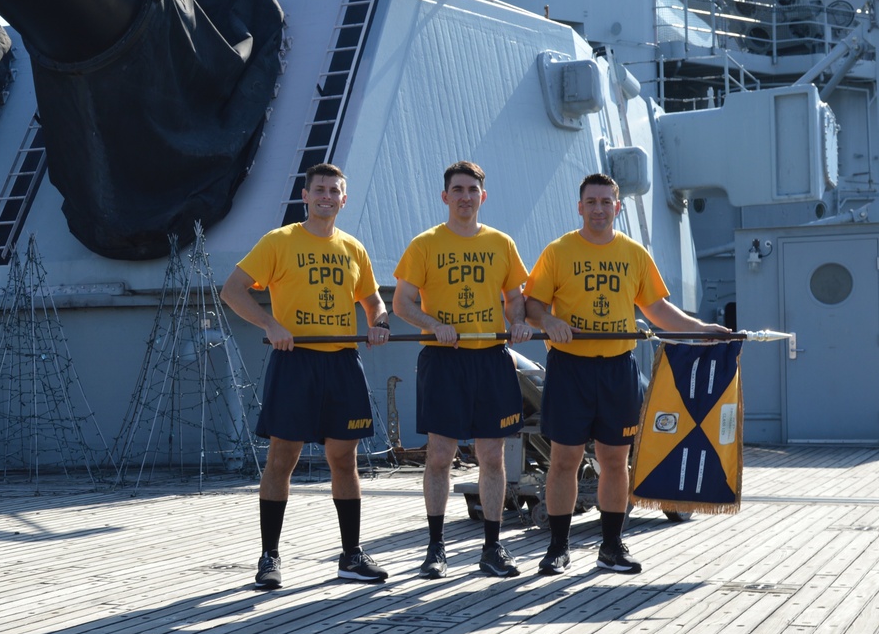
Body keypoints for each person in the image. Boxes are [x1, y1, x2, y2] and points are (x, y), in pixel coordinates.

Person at [524, 172, 730, 576]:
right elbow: (533, 305)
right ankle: (557, 548)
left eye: (606, 202)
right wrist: (548, 321)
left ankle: (612, 546)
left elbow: (658, 311)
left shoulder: (634, 254)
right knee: (563, 460)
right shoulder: (558, 251)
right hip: (570, 368)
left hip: (618, 368)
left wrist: (701, 329)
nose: (599, 209)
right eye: (592, 202)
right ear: (579, 207)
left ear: (617, 207)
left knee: (615, 461)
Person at [221, 163, 391, 590]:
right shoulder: (279, 242)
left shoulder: (354, 248)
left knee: (344, 459)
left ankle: (350, 556)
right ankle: (269, 557)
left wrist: (380, 322)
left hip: (341, 363)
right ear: (306, 195)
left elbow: (373, 301)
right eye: (320, 190)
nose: (327, 197)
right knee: (282, 458)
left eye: (334, 191)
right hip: (295, 360)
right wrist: (270, 325)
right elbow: (233, 290)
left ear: (343, 199)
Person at [392, 160, 535, 579]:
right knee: (440, 455)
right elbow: (402, 303)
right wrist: (434, 326)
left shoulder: (501, 243)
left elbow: (514, 298)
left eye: (472, 190)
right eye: (458, 189)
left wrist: (518, 323)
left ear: (482, 197)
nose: (465, 197)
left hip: (490, 358)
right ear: (445, 196)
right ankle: (435, 549)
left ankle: (492, 547)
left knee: (493, 455)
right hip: (444, 359)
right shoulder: (425, 244)